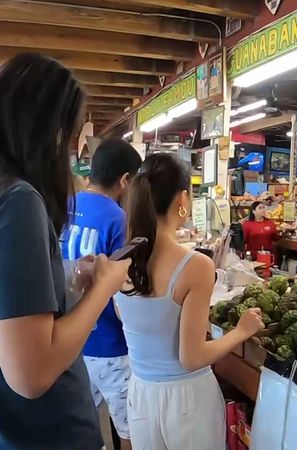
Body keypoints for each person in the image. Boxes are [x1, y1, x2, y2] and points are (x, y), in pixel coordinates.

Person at [0, 53, 131, 449]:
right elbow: (32, 373)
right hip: (46, 432)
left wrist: (67, 283)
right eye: (70, 133)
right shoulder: (19, 200)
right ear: (49, 130)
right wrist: (102, 289)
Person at [115, 153, 264, 449]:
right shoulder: (195, 265)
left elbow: (126, 317)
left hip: (141, 394)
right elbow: (192, 357)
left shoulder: (122, 259)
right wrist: (241, 331)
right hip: (187, 400)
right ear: (183, 199)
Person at [62, 138, 143, 450]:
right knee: (129, 431)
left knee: (81, 424)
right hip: (110, 345)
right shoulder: (118, 218)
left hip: (70, 340)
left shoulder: (66, 204)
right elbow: (124, 288)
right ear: (125, 180)